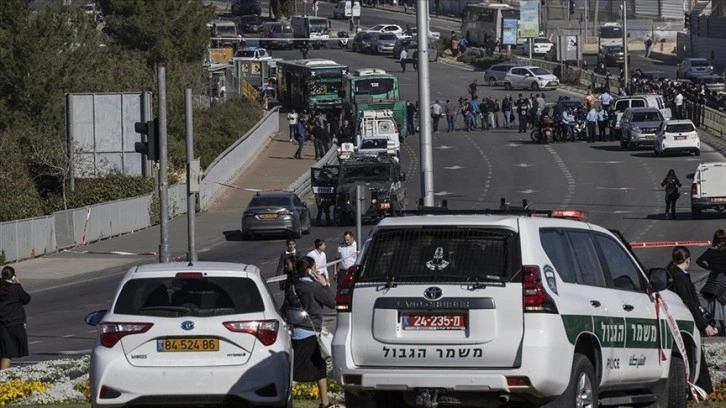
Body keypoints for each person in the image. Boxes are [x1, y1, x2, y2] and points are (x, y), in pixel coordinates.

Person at [283, 257, 335, 408]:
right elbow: (332, 303)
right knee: (309, 369)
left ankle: (324, 403)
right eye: (315, 268)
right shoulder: (314, 287)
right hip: (311, 334)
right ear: (310, 270)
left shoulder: (292, 288)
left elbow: (285, 309)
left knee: (318, 367)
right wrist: (325, 285)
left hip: (297, 333)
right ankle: (322, 402)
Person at [666, 246, 716, 394]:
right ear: (688, 259)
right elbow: (690, 302)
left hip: (679, 321)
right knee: (694, 355)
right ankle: (702, 390)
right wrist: (703, 324)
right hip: (685, 322)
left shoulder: (674, 274)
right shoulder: (681, 277)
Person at [0, 266, 31, 370]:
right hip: (14, 323)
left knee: (4, 351)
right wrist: (18, 284)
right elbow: (26, 299)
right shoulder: (16, 288)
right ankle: (2, 378)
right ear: (13, 276)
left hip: (2, 325)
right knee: (8, 352)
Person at [697, 229, 726, 335]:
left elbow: (698, 260)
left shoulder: (710, 251)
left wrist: (708, 267)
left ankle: (723, 326)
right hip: (725, 279)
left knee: (717, 303)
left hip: (714, 280)